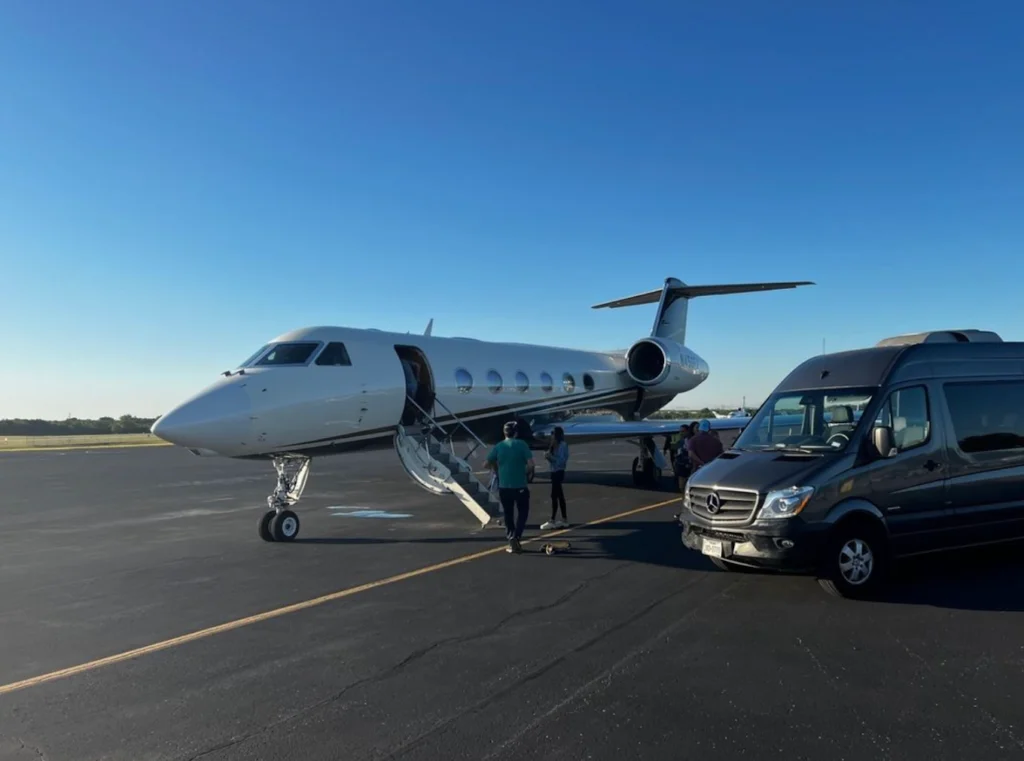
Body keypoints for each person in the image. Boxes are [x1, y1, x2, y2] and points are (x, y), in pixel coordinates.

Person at [486, 421, 535, 553]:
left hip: (504, 487)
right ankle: (517, 536)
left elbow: (486, 463)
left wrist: (496, 468)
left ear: (504, 433)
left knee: (508, 514)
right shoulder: (522, 445)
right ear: (516, 432)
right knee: (523, 512)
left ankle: (511, 537)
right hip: (519, 485)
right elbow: (531, 465)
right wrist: (524, 472)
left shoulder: (499, 446)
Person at [541, 426, 569, 529]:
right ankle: (564, 519)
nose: (551, 436)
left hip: (558, 472)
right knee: (559, 496)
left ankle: (552, 519)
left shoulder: (562, 445)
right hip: (554, 472)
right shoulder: (554, 445)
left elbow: (561, 461)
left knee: (554, 496)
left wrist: (550, 457)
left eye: (552, 434)